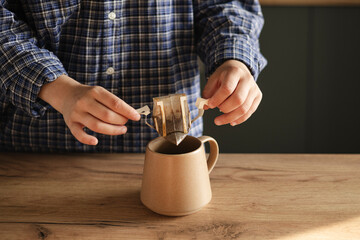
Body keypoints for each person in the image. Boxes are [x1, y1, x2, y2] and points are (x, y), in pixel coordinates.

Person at [0, 0, 267, 152]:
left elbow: (224, 6)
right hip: (37, 152)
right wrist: (58, 89)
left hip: (175, 152)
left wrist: (235, 58)